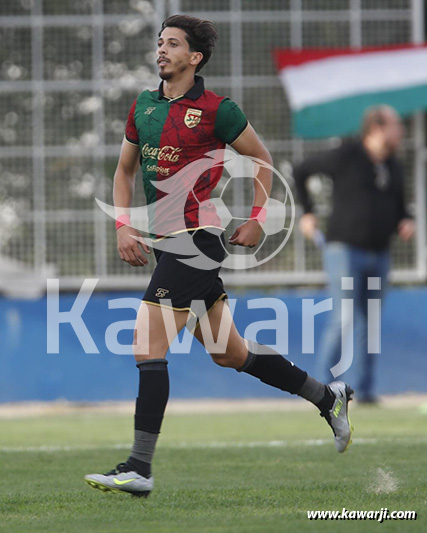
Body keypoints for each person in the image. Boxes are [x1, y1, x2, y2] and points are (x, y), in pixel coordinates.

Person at [84, 15, 353, 498]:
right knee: (229, 353)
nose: (161, 51)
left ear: (195, 57)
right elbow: (124, 173)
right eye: (159, 43)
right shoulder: (142, 106)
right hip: (168, 242)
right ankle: (326, 396)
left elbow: (262, 158)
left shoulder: (216, 109)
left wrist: (257, 217)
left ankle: (139, 468)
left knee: (147, 347)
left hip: (197, 240)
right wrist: (123, 225)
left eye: (172, 44)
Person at [294, 105, 415, 404]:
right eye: (396, 125)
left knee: (370, 322)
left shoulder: (393, 166)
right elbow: (301, 169)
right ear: (377, 128)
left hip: (380, 254)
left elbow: (399, 206)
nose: (401, 131)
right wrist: (308, 212)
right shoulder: (348, 154)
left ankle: (366, 390)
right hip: (345, 251)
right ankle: (320, 391)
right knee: (344, 316)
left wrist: (405, 219)